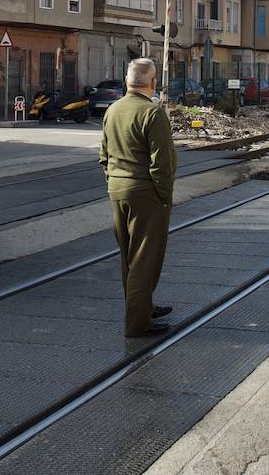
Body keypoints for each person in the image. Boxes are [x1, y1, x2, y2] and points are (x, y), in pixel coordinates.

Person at [99, 57, 177, 337]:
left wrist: (114, 181)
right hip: (146, 193)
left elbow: (103, 156)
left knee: (129, 257)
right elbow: (162, 162)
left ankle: (142, 307)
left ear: (127, 81)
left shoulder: (113, 110)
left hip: (117, 192)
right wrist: (165, 197)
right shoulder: (152, 113)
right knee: (145, 258)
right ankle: (138, 323)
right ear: (153, 82)